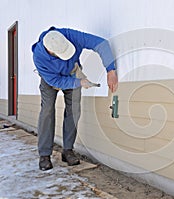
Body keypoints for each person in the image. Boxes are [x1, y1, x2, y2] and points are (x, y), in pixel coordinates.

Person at [32, 26, 118, 171]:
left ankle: (68, 150)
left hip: (73, 72)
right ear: (51, 52)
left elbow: (101, 44)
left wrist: (111, 69)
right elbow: (55, 82)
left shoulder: (71, 35)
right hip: (51, 80)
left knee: (74, 110)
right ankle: (45, 155)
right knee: (47, 111)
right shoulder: (39, 57)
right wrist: (79, 83)